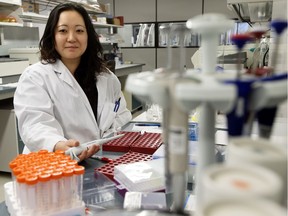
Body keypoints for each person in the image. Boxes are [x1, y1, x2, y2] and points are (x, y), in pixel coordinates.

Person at [13, 2, 132, 162]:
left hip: (96, 161)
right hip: (52, 165)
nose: (71, 38)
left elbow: (122, 115)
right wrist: (57, 144)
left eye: (79, 31)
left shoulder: (107, 78)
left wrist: (108, 136)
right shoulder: (35, 76)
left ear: (88, 36)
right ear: (52, 36)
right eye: (63, 30)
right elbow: (34, 124)